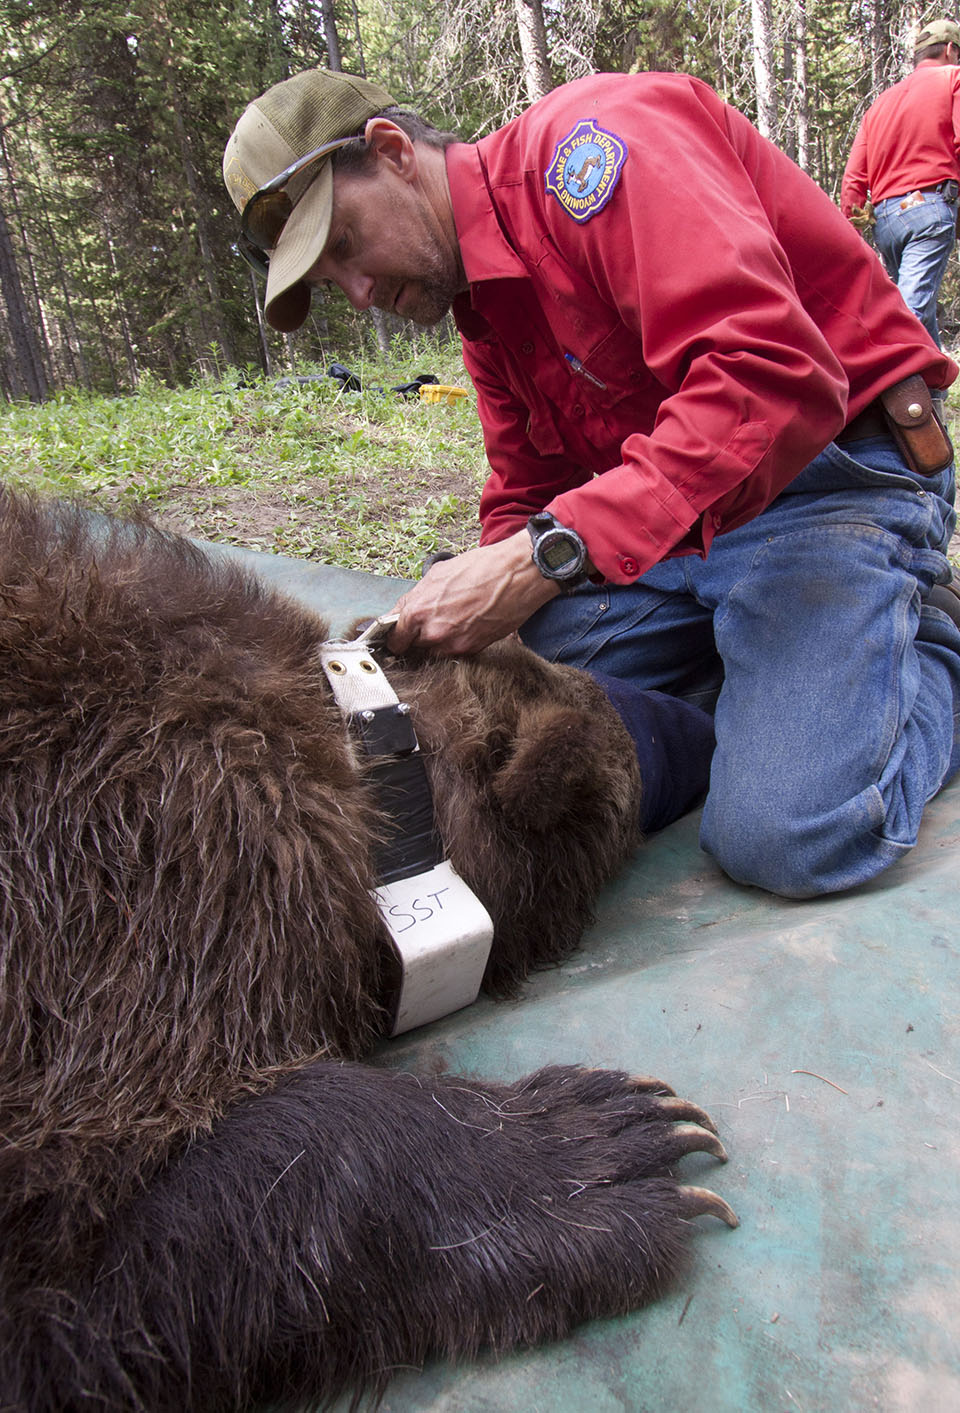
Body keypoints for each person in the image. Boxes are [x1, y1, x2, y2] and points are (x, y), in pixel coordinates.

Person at [224, 66, 960, 899]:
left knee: (789, 833)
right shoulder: (479, 301)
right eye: (330, 283)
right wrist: (486, 588)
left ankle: (926, 646)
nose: (359, 295)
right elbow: (527, 484)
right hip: (681, 532)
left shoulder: (599, 149)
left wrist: (530, 562)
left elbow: (773, 377)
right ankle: (791, 675)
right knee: (504, 684)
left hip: (825, 483)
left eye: (346, 245)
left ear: (392, 152)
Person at [841, 18, 960, 348]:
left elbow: (854, 178)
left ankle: (932, 399)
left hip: (887, 222)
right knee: (911, 314)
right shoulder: (954, 78)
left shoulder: (881, 103)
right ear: (951, 50)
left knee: (921, 312)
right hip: (930, 210)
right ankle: (878, 385)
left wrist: (851, 231)